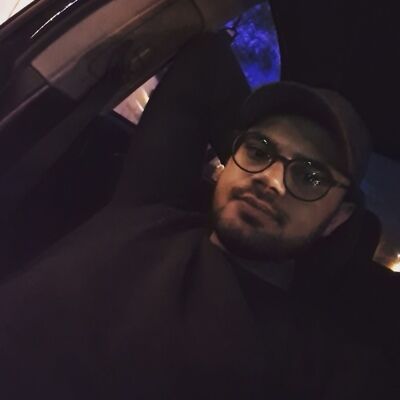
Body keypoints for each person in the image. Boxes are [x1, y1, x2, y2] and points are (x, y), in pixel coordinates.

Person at [0, 32, 394, 399]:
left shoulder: (309, 364)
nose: (271, 181)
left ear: (339, 218)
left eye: (310, 177)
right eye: (259, 150)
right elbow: (207, 60)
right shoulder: (149, 206)